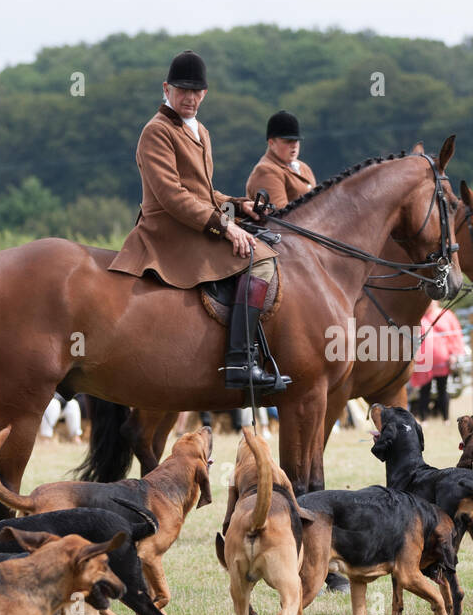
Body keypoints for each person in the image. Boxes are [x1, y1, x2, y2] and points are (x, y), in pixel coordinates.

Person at [107, 50, 282, 390]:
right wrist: (225, 225)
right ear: (166, 89)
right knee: (259, 261)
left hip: (194, 220)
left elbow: (202, 191)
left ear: (205, 93)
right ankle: (241, 360)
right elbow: (173, 196)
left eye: (195, 91)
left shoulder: (200, 130)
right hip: (169, 229)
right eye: (181, 90)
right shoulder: (156, 131)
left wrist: (238, 205)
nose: (188, 97)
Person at [245, 111, 317, 209]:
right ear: (271, 143)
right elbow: (280, 216)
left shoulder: (304, 168)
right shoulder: (266, 171)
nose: (294, 145)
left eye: (296, 140)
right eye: (288, 141)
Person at [409, 306, 465, 423]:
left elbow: (456, 335)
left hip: (442, 362)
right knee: (424, 391)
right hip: (424, 362)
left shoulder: (447, 315)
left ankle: (446, 419)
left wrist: (454, 354)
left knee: (442, 390)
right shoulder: (419, 314)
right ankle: (424, 419)